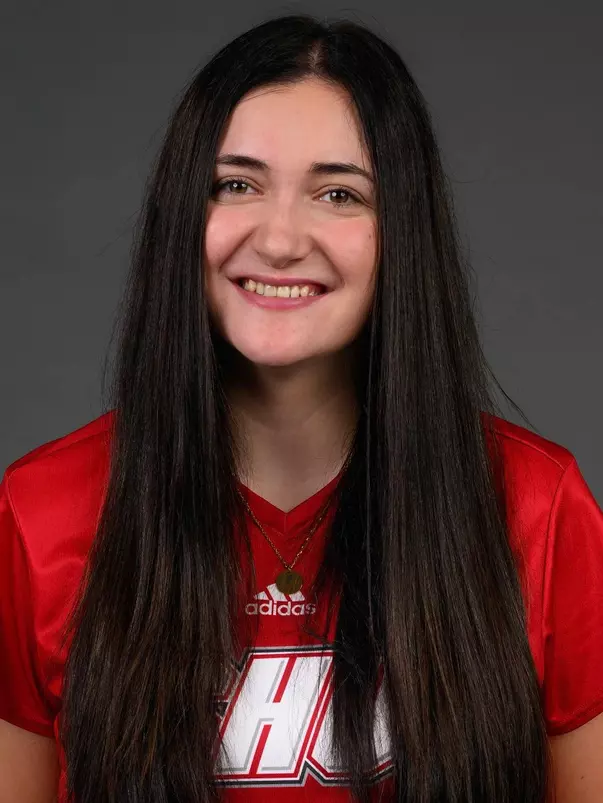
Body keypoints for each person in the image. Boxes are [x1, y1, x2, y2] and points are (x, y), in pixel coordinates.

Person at [1, 13, 602, 803]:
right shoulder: (40, 513)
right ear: (184, 214)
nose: (280, 238)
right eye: (237, 184)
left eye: (338, 193)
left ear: (400, 233)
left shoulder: (536, 506)